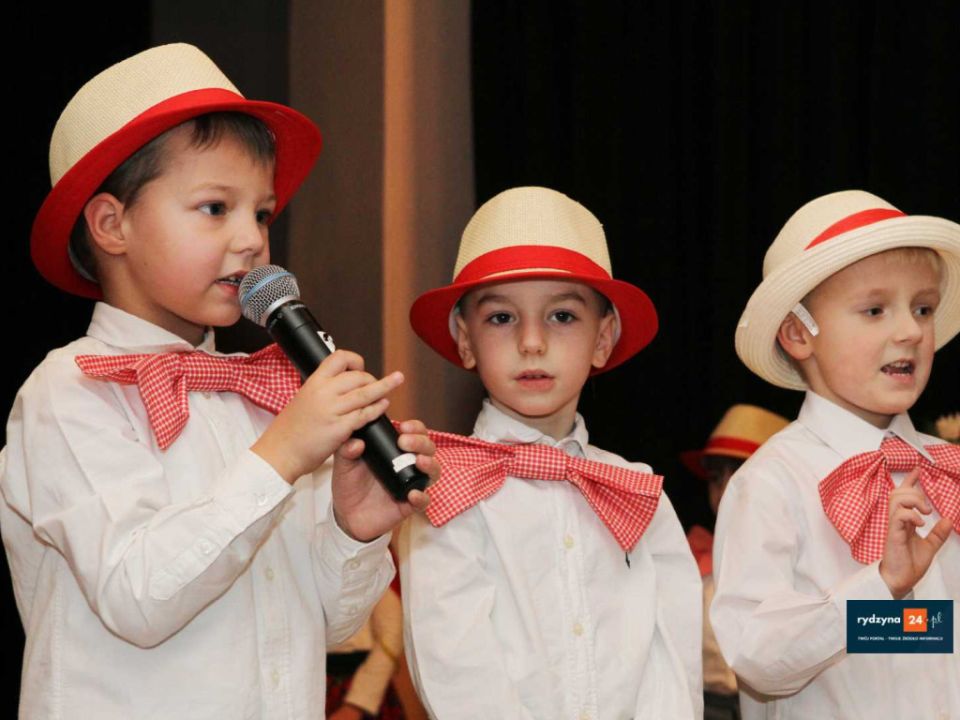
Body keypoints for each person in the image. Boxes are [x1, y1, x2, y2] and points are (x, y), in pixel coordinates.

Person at [1, 44, 436, 718]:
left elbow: (326, 626)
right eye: (214, 208)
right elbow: (138, 597)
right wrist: (282, 456)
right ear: (113, 225)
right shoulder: (70, 393)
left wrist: (354, 530)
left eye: (261, 213)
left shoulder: (265, 398)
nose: (252, 240)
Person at [399, 186, 702, 719]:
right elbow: (457, 669)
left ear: (603, 339)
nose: (532, 342)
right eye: (502, 318)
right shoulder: (447, 487)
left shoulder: (635, 489)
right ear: (465, 340)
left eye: (562, 316)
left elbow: (673, 658)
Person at [711, 190, 960, 719]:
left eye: (923, 308)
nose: (910, 331)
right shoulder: (773, 483)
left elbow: (936, 630)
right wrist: (879, 590)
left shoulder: (948, 469)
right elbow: (755, 656)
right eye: (875, 310)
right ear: (799, 333)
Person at [680, 404, 788, 720]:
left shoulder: (809, 556)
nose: (726, 491)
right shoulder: (687, 560)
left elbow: (906, 627)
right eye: (716, 478)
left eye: (742, 476)